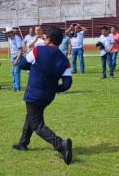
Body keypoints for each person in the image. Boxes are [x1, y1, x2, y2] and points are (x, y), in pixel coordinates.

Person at [12, 27, 74, 165]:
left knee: (36, 124)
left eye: (45, 37)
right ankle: (23, 143)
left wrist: (34, 64)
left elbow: (22, 65)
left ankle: (60, 144)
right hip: (48, 95)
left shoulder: (37, 50)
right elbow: (68, 83)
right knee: (32, 116)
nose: (44, 39)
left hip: (34, 93)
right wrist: (55, 88)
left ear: (49, 39)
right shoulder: (64, 60)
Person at [6, 27, 24, 91]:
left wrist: (17, 60)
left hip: (17, 57)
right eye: (6, 33)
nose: (7, 34)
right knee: (13, 72)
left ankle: (17, 87)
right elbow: (10, 48)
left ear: (11, 32)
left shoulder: (17, 38)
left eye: (8, 33)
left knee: (16, 72)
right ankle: (14, 86)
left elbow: (20, 50)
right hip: (13, 57)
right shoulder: (10, 38)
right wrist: (10, 57)